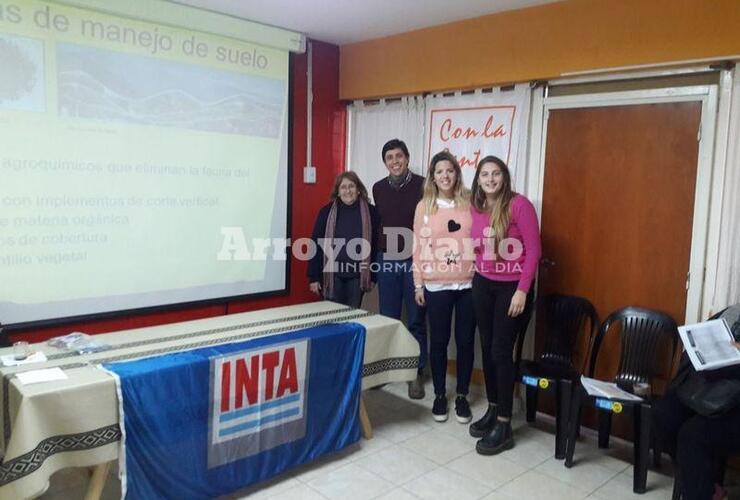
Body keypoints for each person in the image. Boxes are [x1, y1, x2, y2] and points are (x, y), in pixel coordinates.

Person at [469, 155, 541, 455]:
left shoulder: (520, 205)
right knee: (486, 347)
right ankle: (493, 406)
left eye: (495, 174)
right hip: (484, 284)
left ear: (504, 177)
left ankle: (504, 423)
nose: (490, 179)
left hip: (512, 288)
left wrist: (522, 291)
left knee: (501, 351)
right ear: (479, 179)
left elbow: (534, 251)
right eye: (485, 174)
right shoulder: (477, 206)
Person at [412, 151, 476, 423]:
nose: (445, 176)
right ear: (433, 176)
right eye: (440, 171)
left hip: (469, 284)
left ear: (456, 174)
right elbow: (418, 247)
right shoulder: (424, 207)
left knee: (465, 342)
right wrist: (418, 284)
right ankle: (440, 394)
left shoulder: (471, 202)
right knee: (438, 342)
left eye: (450, 170)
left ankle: (461, 396)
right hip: (435, 285)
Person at [652, 305, 740, 500]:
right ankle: (706, 486)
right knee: (664, 414)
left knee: (693, 436)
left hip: (735, 407)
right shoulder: (733, 312)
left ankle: (700, 488)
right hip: (713, 391)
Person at [372, 138, 427, 399]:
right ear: (385, 162)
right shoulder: (378, 188)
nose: (394, 161)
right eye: (389, 158)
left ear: (407, 158)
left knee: (416, 318)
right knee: (388, 318)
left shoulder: (423, 185)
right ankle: (386, 371)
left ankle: (414, 373)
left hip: (414, 259)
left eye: (398, 156)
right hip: (386, 259)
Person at [308, 171, 380, 308]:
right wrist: (314, 277)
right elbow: (315, 245)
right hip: (332, 276)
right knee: (333, 317)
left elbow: (376, 245)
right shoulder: (326, 212)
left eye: (351, 186)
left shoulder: (371, 212)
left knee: (352, 316)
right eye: (343, 187)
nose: (348, 191)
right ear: (338, 191)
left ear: (358, 189)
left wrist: (373, 276)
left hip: (357, 276)